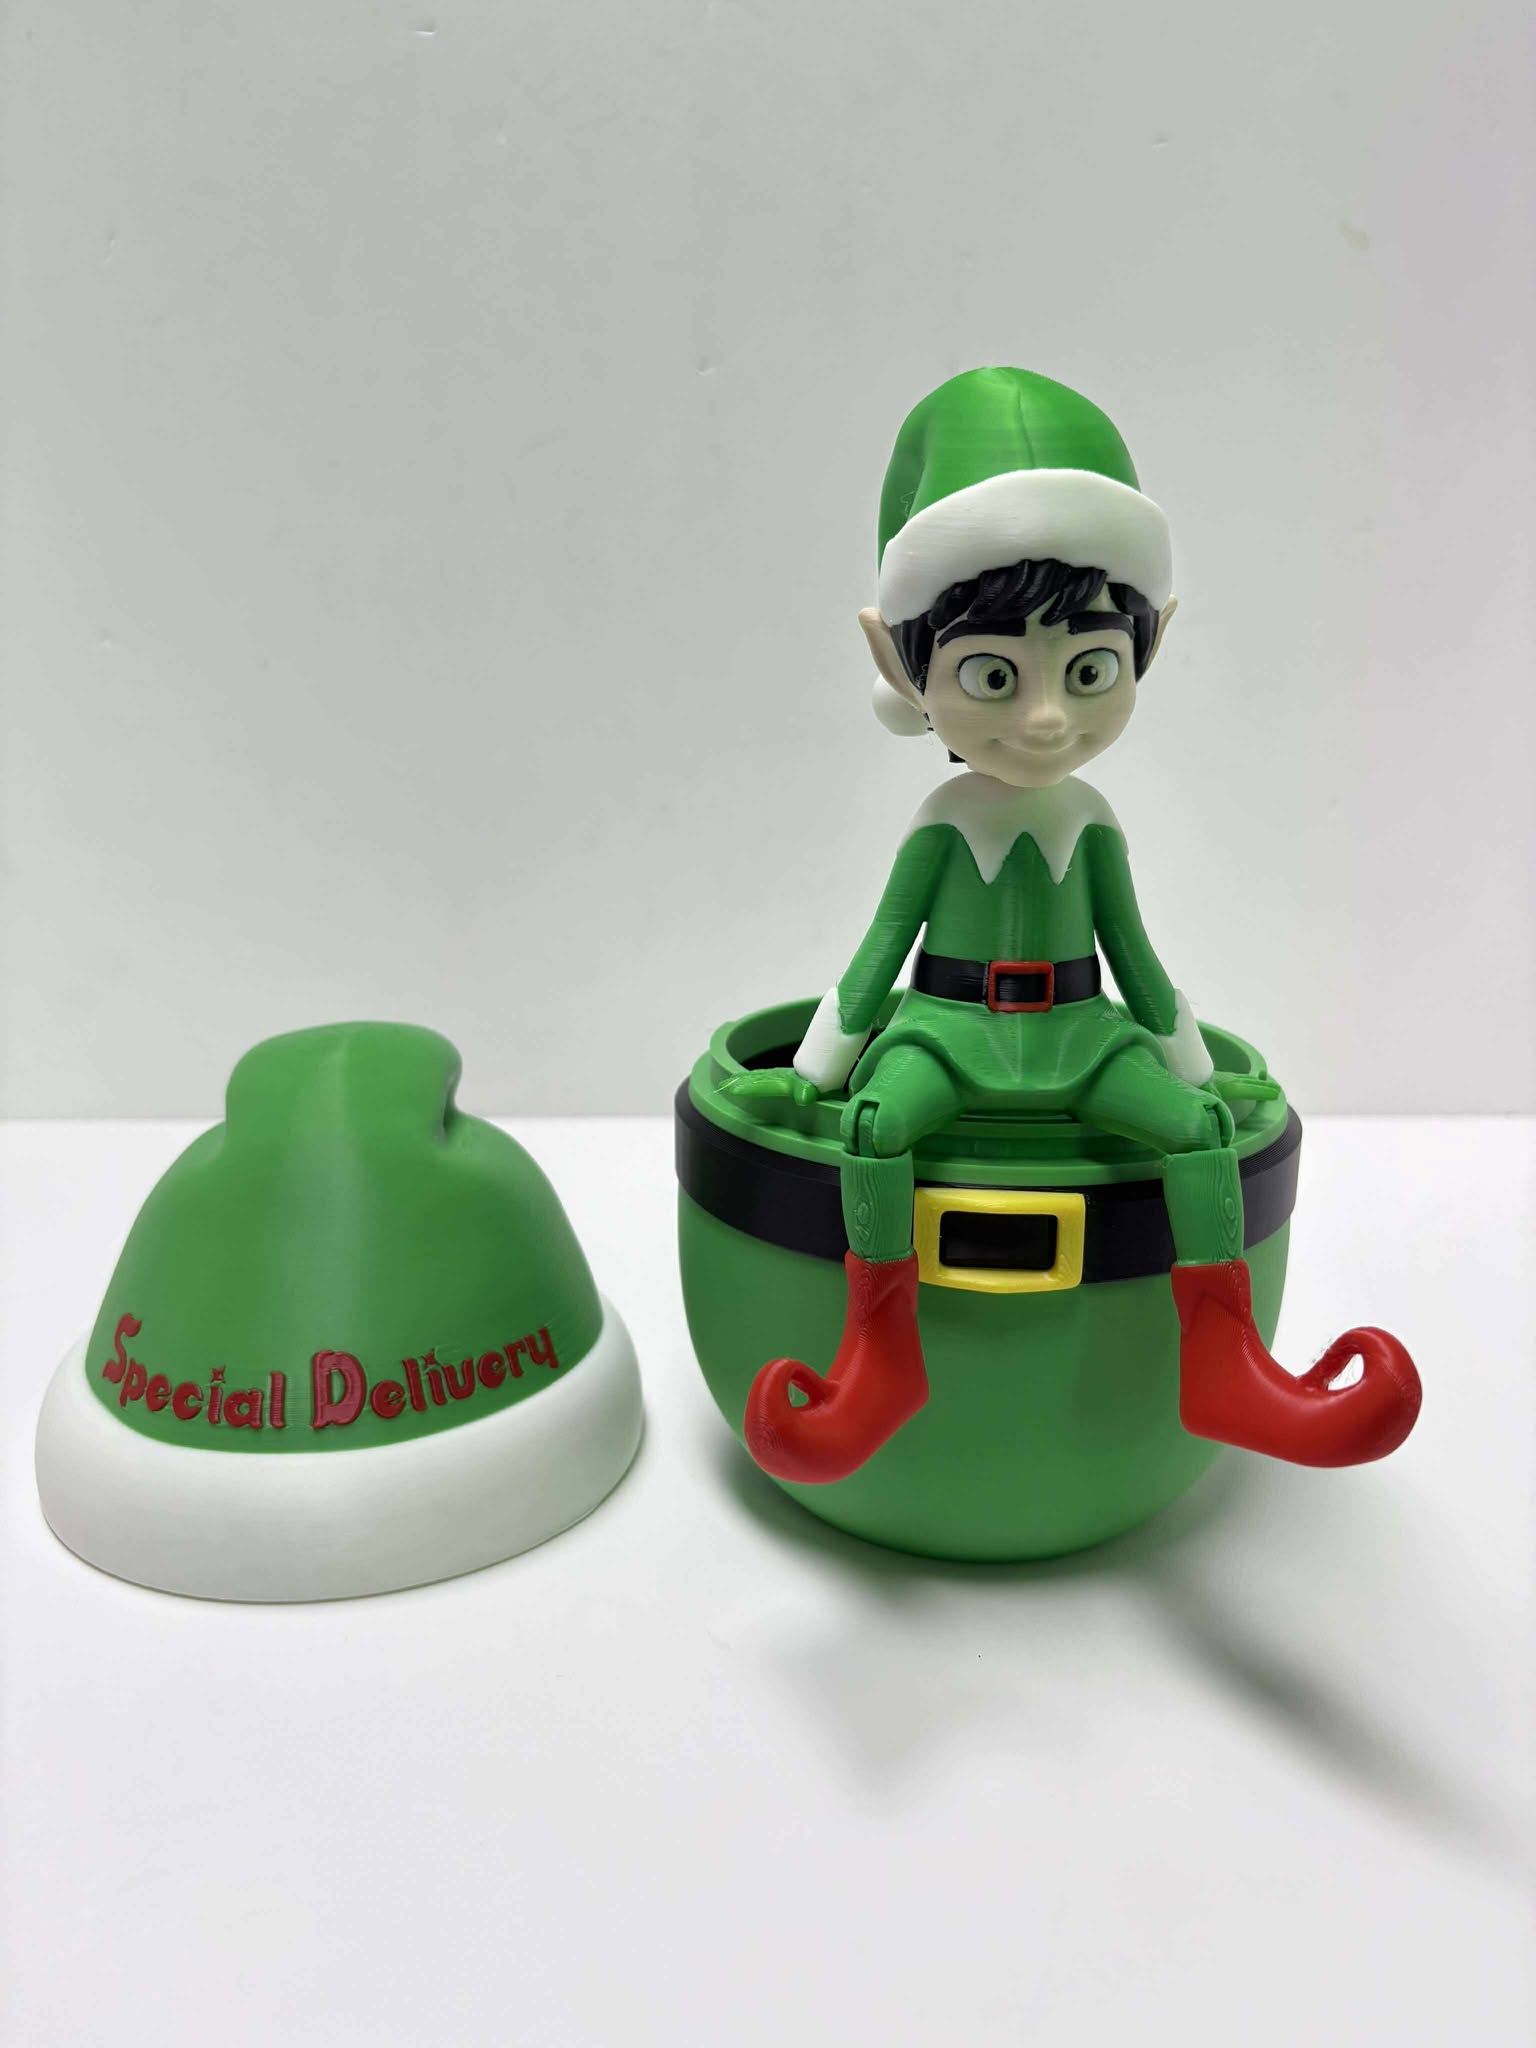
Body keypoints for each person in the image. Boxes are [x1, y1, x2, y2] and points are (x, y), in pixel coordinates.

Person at [730, 367, 1421, 1484]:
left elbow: (1135, 960)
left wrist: (1199, 1071)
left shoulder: (1091, 823)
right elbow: (879, 957)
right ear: (901, 664)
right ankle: (881, 1356)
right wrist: (812, 1075)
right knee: (876, 1126)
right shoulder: (942, 823)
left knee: (1196, 1132)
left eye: (1090, 668)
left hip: (1081, 1038)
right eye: (993, 674)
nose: (1048, 717)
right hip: (945, 1034)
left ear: (1152, 646)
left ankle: (1223, 1359)